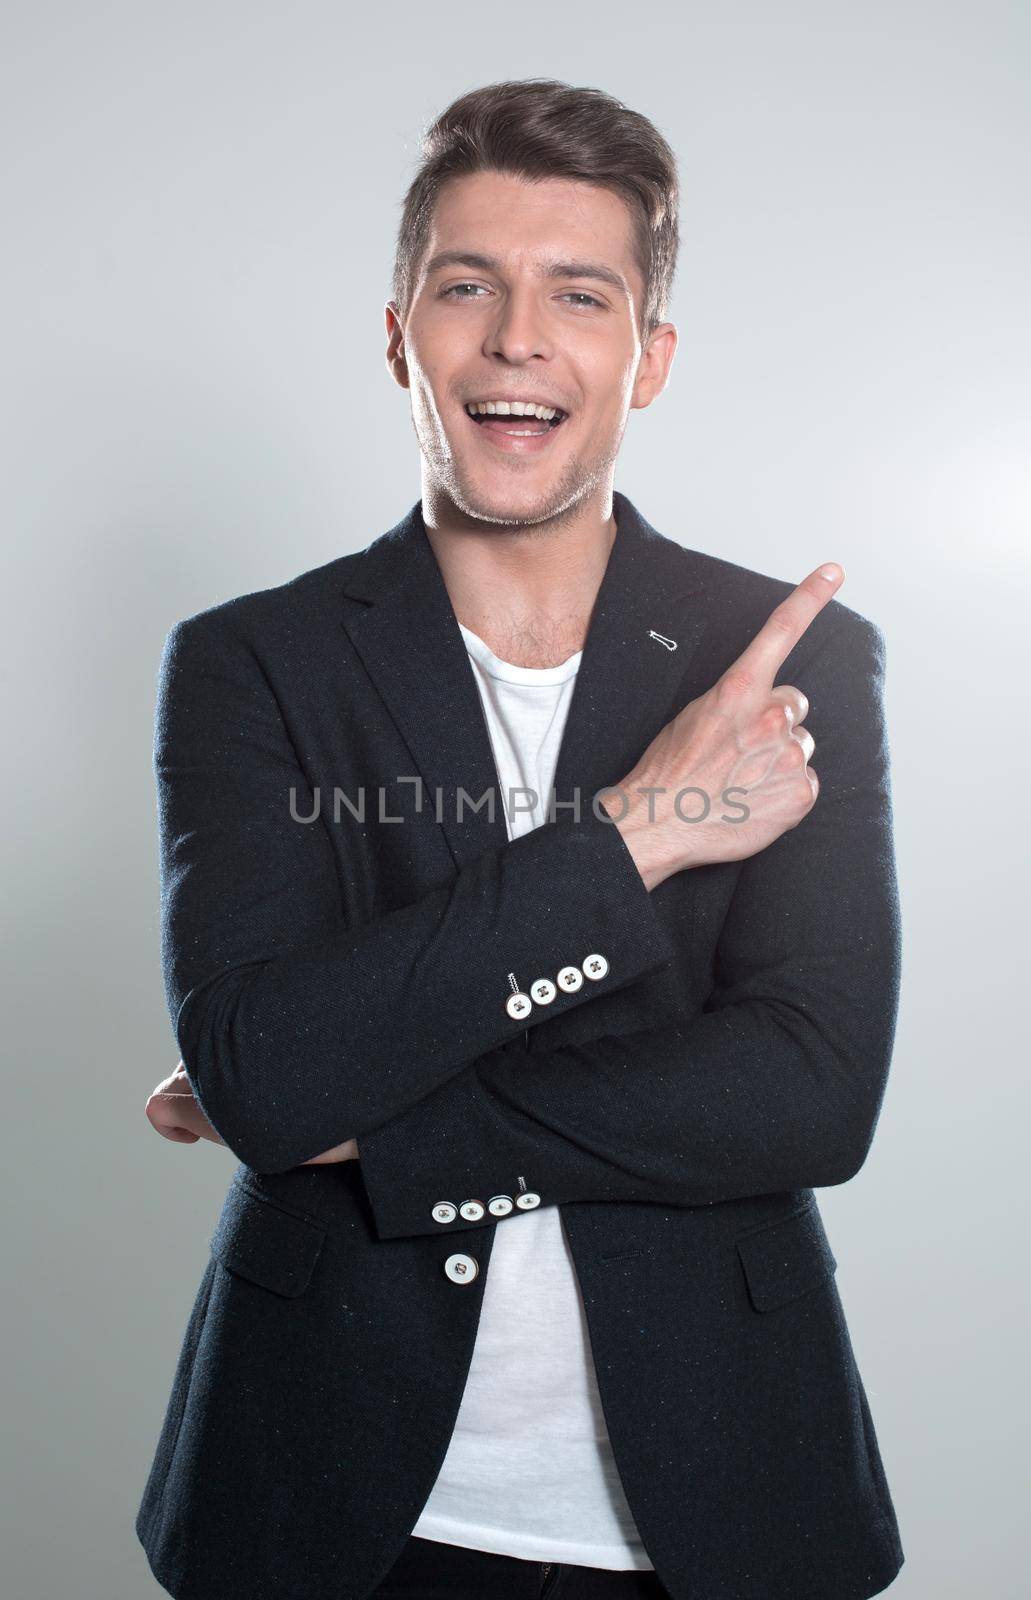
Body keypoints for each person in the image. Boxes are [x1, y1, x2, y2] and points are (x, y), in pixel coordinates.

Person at [136, 78, 904, 1600]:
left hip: (723, 1481)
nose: (516, 337)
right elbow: (269, 1070)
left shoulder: (788, 657)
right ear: (398, 334)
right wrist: (641, 835)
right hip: (327, 1484)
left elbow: (811, 1097)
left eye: (581, 293)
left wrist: (388, 1123)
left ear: (649, 357)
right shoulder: (252, 661)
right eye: (466, 285)